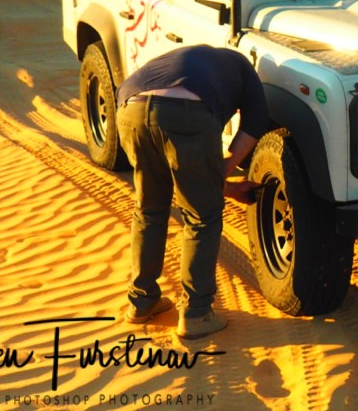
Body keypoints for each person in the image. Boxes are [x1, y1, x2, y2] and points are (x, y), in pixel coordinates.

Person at [115, 45, 269, 339]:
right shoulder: (245, 69)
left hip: (131, 109)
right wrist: (226, 169)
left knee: (149, 209)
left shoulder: (194, 61)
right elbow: (256, 121)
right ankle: (197, 314)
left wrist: (222, 185)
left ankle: (141, 302)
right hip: (185, 114)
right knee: (202, 217)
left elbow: (190, 175)